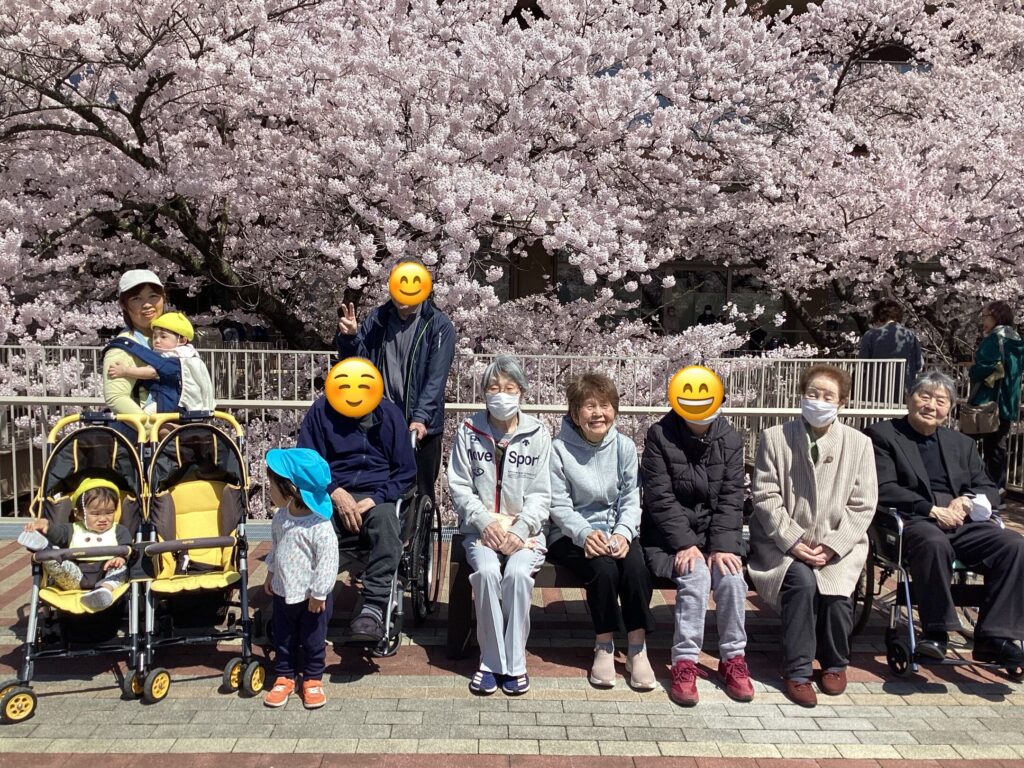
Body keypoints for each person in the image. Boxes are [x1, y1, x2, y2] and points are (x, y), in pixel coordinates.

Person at [865, 371, 1024, 665]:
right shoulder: (883, 435)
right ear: (909, 398)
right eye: (924, 396)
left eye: (940, 401)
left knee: (1014, 545)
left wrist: (968, 500)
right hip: (914, 519)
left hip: (960, 520)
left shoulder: (961, 443)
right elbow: (883, 487)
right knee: (933, 542)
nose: (931, 406)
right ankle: (936, 632)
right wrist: (931, 509)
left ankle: (994, 637)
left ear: (949, 408)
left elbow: (989, 487)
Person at [747, 364, 877, 708]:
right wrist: (793, 541)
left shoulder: (860, 444)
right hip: (782, 543)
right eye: (812, 394)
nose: (819, 401)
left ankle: (835, 663)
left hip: (838, 542)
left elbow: (863, 504)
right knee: (802, 582)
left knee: (836, 592)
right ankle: (798, 670)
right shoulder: (776, 437)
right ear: (801, 397)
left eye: (828, 396)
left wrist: (833, 546)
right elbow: (765, 495)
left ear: (842, 402)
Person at [641, 381, 753, 707]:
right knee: (696, 576)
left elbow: (732, 498)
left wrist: (723, 546)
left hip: (715, 536)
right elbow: (659, 497)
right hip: (668, 539)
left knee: (732, 578)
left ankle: (733, 658)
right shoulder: (660, 435)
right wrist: (685, 543)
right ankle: (685, 661)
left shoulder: (730, 438)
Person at [448, 356, 550, 696]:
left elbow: (542, 492)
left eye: (509, 388)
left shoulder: (538, 433)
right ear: (484, 393)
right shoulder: (468, 431)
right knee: (488, 573)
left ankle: (515, 663)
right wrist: (483, 522)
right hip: (481, 531)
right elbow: (459, 486)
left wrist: (520, 530)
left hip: (526, 533)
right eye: (494, 388)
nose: (502, 394)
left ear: (521, 392)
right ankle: (490, 662)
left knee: (518, 575)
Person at [547, 373, 656, 691]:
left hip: (615, 531)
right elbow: (558, 505)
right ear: (574, 414)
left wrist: (623, 533)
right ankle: (604, 644)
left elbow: (631, 499)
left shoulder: (624, 447)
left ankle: (637, 647)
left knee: (635, 567)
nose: (598, 413)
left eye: (605, 406)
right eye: (589, 406)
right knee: (603, 568)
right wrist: (584, 534)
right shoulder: (558, 450)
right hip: (569, 534)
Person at [296, 377, 416, 644]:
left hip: (377, 494)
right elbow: (307, 460)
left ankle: (373, 605)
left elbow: (406, 471)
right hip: (331, 492)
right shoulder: (321, 412)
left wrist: (377, 498)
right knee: (311, 529)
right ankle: (305, 598)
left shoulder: (389, 414)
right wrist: (334, 491)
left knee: (386, 521)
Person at [335, 261, 456, 509]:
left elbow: (435, 379)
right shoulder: (377, 319)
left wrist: (421, 417)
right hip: (381, 423)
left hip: (420, 427)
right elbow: (358, 367)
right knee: (381, 491)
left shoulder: (438, 325)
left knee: (420, 495)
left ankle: (420, 534)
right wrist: (349, 338)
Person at [261, 448, 340, 710]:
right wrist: (271, 571)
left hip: (311, 598)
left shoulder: (319, 526)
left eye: (272, 485)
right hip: (283, 591)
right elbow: (276, 546)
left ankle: (313, 677)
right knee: (283, 637)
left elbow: (328, 563)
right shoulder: (281, 517)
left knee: (313, 640)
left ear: (291, 488)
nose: (269, 490)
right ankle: (284, 675)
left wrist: (319, 593)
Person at [18, 478, 131, 612]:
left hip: (106, 575)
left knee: (121, 569)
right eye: (95, 514)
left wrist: (120, 558)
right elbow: (58, 534)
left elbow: (127, 547)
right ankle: (43, 546)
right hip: (75, 577)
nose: (103, 518)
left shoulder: (119, 530)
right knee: (53, 557)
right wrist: (47, 526)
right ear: (78, 514)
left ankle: (102, 592)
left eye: (109, 512)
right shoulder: (72, 529)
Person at [106, 311, 215, 413]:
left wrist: (125, 371)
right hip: (190, 404)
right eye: (154, 336)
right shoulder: (191, 355)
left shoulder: (174, 357)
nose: (157, 340)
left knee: (146, 415)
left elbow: (152, 372)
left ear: (182, 340)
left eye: (163, 336)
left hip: (175, 403)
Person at [968, 300, 1023, 491]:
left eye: (985, 316)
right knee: (997, 447)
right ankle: (997, 489)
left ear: (996, 317)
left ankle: (975, 485)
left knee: (966, 443)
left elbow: (985, 368)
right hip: (1007, 402)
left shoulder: (994, 339)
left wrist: (972, 369)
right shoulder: (1017, 341)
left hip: (987, 401)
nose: (983, 320)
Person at [102, 269, 166, 415]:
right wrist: (151, 426)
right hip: (151, 424)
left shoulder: (176, 339)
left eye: (153, 296)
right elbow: (116, 398)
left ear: (163, 298)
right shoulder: (123, 348)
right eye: (136, 298)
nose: (147, 304)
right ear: (124, 305)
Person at [858, 299, 924, 403]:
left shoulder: (870, 335)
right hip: (903, 390)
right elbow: (919, 365)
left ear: (878, 316)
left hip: (875, 391)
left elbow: (863, 363)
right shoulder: (909, 335)